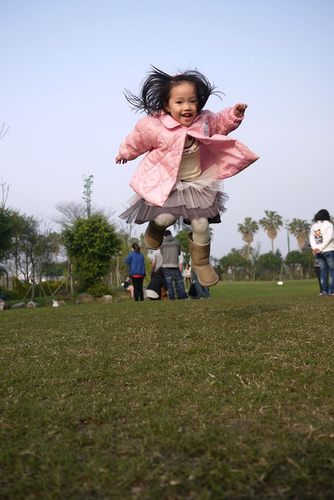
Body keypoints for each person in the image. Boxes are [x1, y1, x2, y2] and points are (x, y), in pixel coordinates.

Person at [116, 67, 259, 288]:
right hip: (168, 184)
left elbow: (221, 123)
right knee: (165, 218)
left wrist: (234, 115)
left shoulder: (204, 121)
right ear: (167, 105)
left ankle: (201, 262)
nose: (187, 107)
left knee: (201, 224)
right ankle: (155, 228)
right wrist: (125, 153)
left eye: (192, 101)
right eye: (180, 102)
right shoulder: (155, 126)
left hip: (197, 184)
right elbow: (137, 140)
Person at [309, 209, 334, 296]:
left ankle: (324, 291)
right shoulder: (329, 225)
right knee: (333, 271)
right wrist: (321, 247)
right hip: (329, 250)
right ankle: (332, 291)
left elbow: (312, 239)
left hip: (318, 252)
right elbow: (329, 237)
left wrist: (316, 248)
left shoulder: (314, 226)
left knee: (323, 272)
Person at [160, 230, 188, 300]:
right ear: (171, 234)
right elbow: (179, 253)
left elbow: (162, 253)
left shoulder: (162, 243)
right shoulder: (177, 242)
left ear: (164, 236)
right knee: (179, 282)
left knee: (169, 283)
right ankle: (184, 297)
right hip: (175, 265)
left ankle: (172, 298)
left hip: (166, 265)